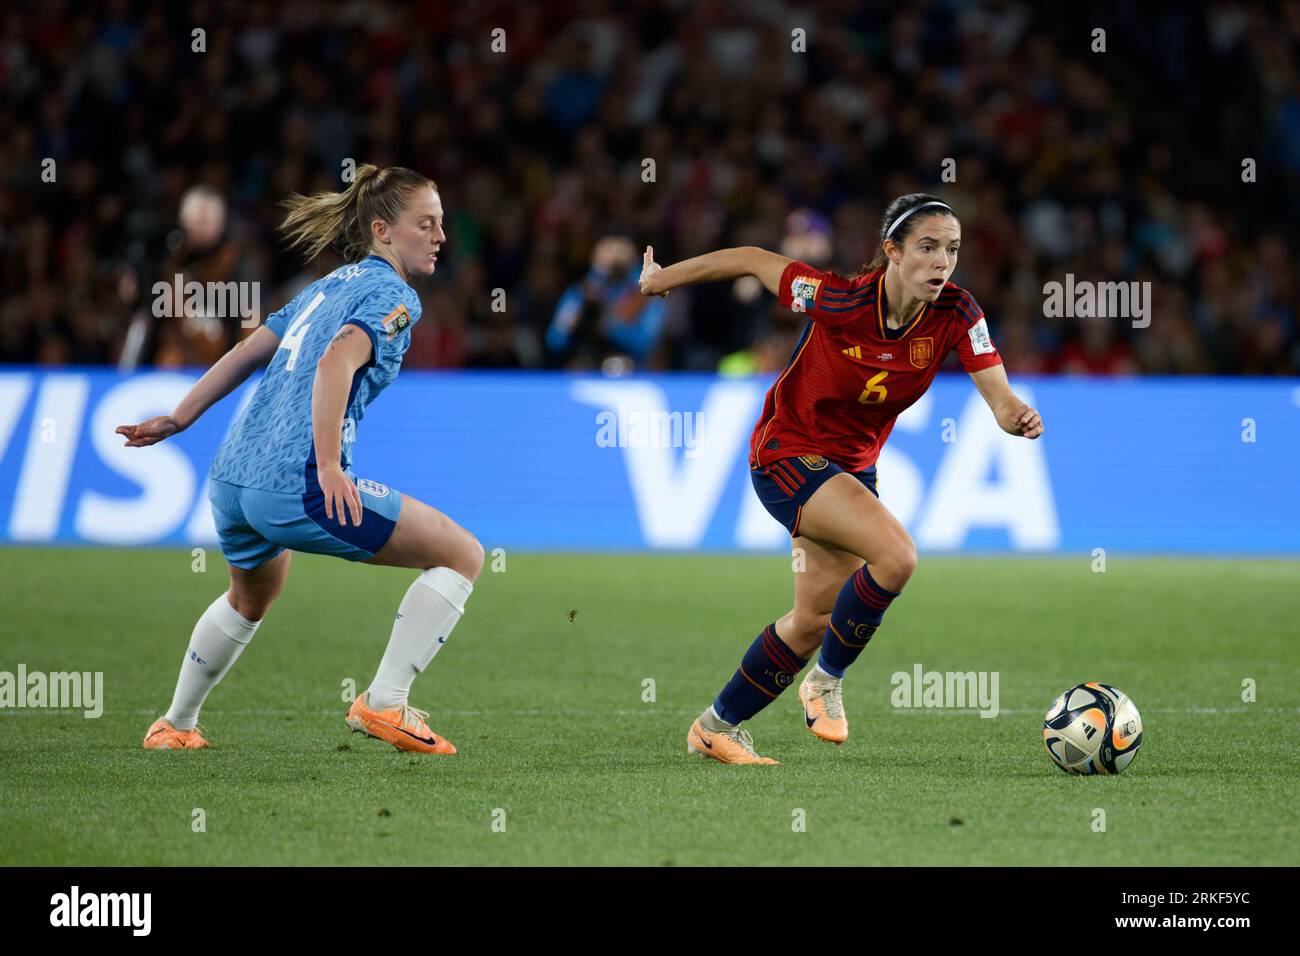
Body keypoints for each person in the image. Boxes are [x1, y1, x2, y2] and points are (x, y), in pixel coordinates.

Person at [639, 193, 1044, 764]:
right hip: (786, 454)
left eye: (951, 250)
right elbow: (755, 259)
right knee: (898, 557)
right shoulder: (838, 298)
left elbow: (998, 393)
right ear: (892, 252)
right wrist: (664, 278)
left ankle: (715, 727)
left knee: (812, 621)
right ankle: (825, 683)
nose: (941, 262)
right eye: (927, 248)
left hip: (851, 469)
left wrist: (1010, 413)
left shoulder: (957, 313)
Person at [117, 165, 484, 755]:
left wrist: (180, 418)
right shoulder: (395, 296)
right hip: (300, 483)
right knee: (462, 554)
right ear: (383, 231)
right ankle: (385, 704)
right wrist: (330, 467)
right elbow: (336, 362)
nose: (441, 236)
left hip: (234, 479)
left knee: (250, 596)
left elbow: (246, 350)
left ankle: (175, 725)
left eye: (442, 224)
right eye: (427, 224)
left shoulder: (325, 286)